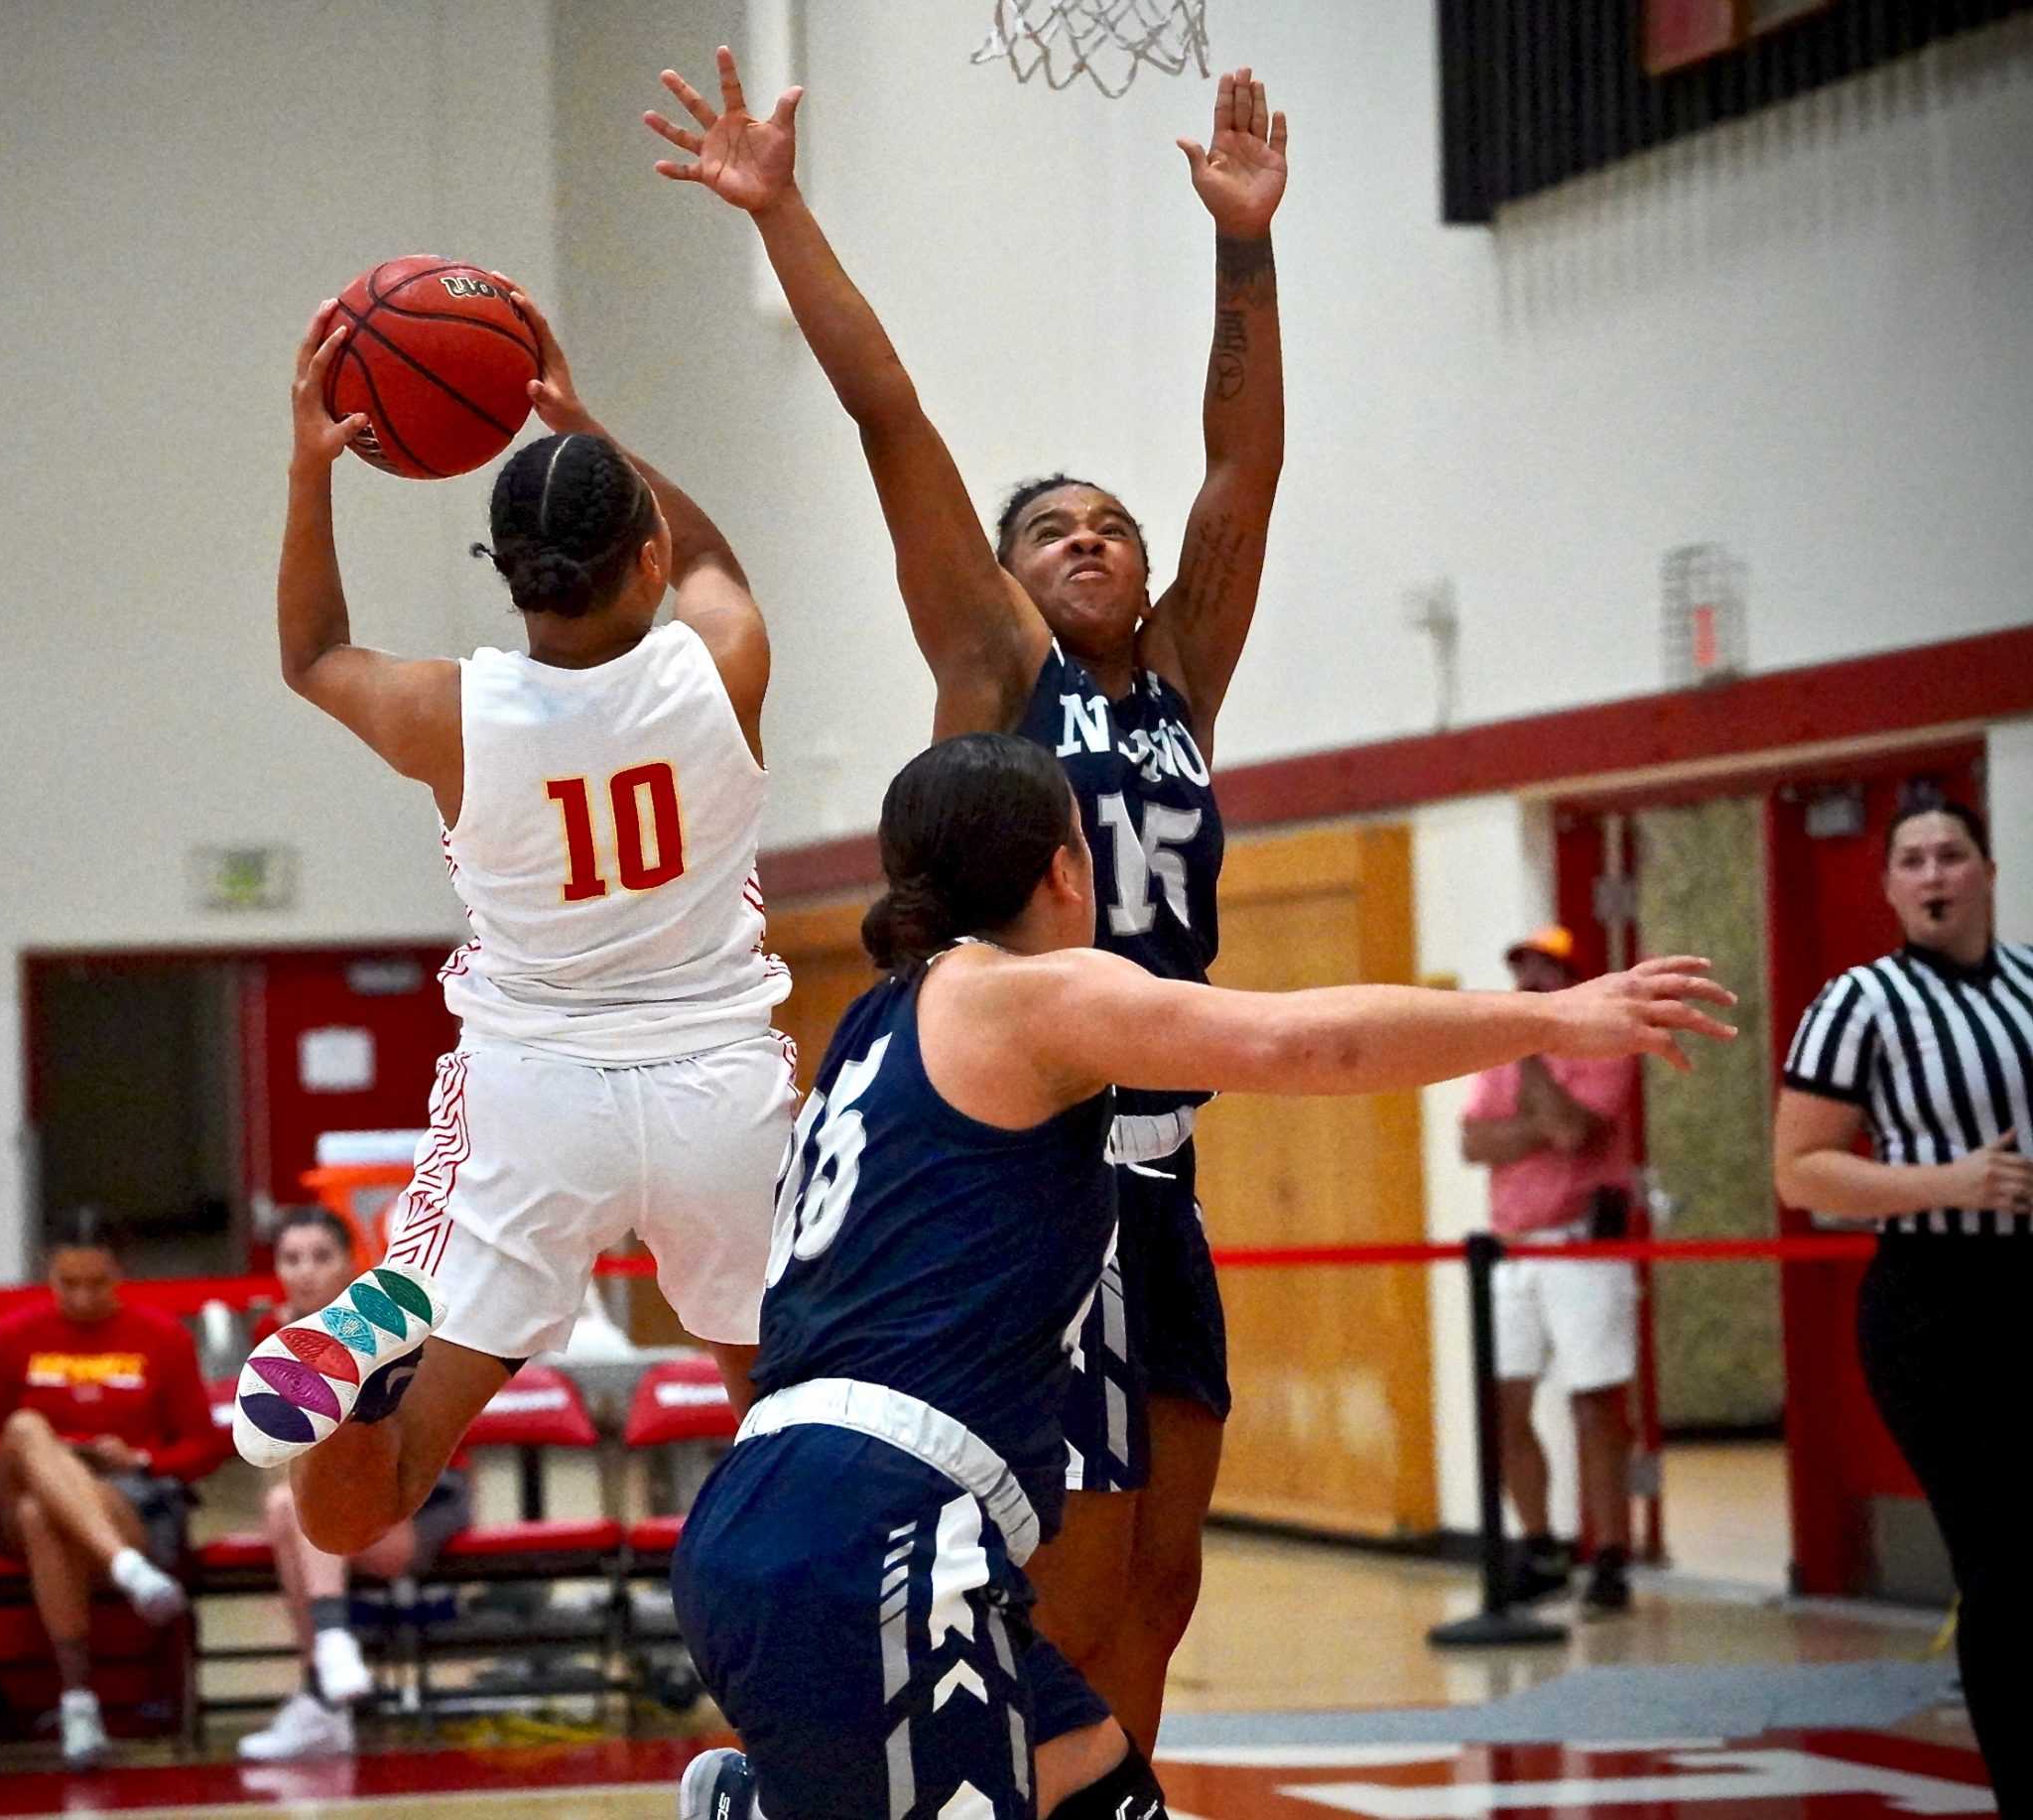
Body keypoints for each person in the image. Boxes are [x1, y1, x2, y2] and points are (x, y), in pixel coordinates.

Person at [673, 734, 1735, 1820]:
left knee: (1106, 1794)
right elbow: (1301, 1046)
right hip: (878, 1530)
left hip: (768, 1510)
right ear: (1063, 870)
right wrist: (1553, 1018)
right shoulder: (1022, 996)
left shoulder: (872, 1024)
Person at [647, 48, 1288, 1746]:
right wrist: (779, 214)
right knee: (1065, 1596)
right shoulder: (1002, 676)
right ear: (1003, 579)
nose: (1088, 539)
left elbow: (1242, 473)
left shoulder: (1180, 685)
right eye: (1051, 527)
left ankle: (1116, 1792)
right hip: (1045, 1163)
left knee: (1165, 1581)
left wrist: (1245, 246)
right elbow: (889, 419)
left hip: (1170, 1175)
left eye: (1110, 525)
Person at [243, 285, 794, 1566]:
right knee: (796, 1423)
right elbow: (716, 563)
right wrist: (581, 418)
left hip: (537, 1099)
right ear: (642, 554)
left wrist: (310, 466)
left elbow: (313, 653)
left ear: (502, 571)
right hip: (720, 1088)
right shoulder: (718, 665)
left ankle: (359, 1369)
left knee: (366, 1506)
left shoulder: (456, 714)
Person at [1774, 788, 2026, 1814]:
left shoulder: (2023, 989)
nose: (1932, 875)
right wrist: (1945, 1182)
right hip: (1933, 1303)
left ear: (1986, 871)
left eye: (1950, 855)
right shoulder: (1860, 1001)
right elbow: (1800, 1172)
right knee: (2002, 1552)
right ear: (1886, 885)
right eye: (1911, 859)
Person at [0, 1208, 224, 1767]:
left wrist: (137, 1457)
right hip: (18, 1500)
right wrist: (55, 1456)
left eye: (98, 1284)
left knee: (47, 1516)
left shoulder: (161, 1336)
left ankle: (79, 1706)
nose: (84, 1299)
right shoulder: (12, 1338)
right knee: (25, 1430)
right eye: (70, 1285)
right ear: (47, 1275)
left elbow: (204, 1449)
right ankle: (125, 1570)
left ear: (121, 1274)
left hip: (128, 1498)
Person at [237, 1208, 472, 1763]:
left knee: (288, 1510)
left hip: (419, 1497)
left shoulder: (388, 1319)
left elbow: (412, 1442)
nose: (305, 1272)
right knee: (282, 1508)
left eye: (321, 1257)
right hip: (333, 1514)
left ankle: (324, 1682)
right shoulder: (272, 1338)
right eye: (291, 1259)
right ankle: (327, 1677)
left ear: (351, 1263)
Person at [1458, 925, 1643, 1614]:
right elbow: (1474, 1140)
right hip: (1512, 1248)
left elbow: (1573, 1131)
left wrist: (1534, 1068)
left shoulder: (1606, 1048)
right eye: (1523, 971)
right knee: (1504, 1405)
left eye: (1546, 972)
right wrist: (1536, 1122)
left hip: (1582, 1245)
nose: (1530, 983)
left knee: (1595, 1403)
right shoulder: (1497, 1054)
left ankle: (1613, 1553)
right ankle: (1539, 1545)